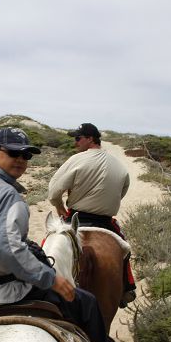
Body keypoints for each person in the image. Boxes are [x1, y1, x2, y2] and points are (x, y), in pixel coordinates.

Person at [0, 127, 132, 342]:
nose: (21, 160)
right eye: (13, 153)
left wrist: (57, 213)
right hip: (7, 289)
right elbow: (8, 249)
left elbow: (52, 194)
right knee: (88, 302)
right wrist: (53, 279)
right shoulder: (8, 195)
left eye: (26, 155)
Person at [47, 122, 138, 307]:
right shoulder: (120, 167)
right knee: (124, 249)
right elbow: (122, 192)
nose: (75, 142)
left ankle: (40, 283)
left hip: (76, 217)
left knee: (48, 244)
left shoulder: (76, 159)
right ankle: (127, 287)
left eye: (78, 138)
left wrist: (59, 208)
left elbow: (53, 192)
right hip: (105, 221)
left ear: (90, 139)